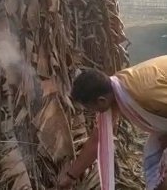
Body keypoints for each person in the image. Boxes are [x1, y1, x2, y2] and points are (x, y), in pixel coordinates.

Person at [59, 56, 167, 190]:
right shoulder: (117, 88)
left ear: (101, 101)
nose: (93, 112)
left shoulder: (144, 95)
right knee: (155, 163)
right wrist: (70, 177)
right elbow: (97, 140)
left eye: (90, 108)